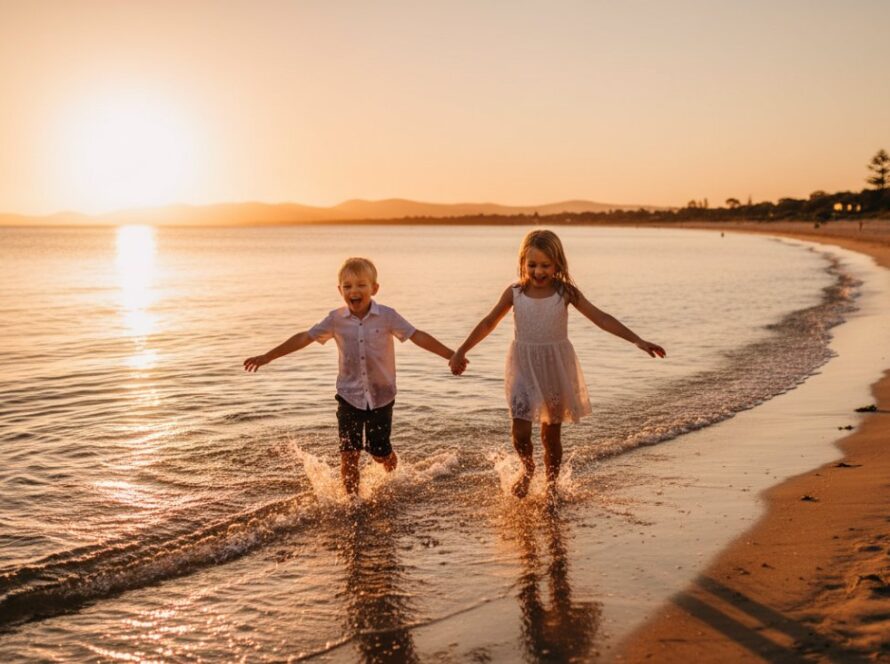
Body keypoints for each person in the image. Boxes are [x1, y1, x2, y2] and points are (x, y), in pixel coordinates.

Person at [449, 230, 665, 498]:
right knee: (520, 432)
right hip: (523, 367)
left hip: (555, 368)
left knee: (551, 436)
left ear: (557, 265)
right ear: (522, 263)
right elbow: (488, 322)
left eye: (545, 265)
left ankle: (551, 488)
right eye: (532, 265)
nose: (538, 271)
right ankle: (527, 469)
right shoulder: (514, 293)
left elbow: (601, 318)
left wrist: (637, 340)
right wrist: (461, 350)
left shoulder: (565, 293)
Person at [244, 257, 463, 495]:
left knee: (380, 453)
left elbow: (417, 335)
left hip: (381, 397)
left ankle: (393, 471)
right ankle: (352, 504)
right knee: (349, 455)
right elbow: (304, 338)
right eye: (347, 286)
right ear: (340, 290)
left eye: (361, 285)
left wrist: (452, 354)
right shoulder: (335, 319)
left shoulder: (387, 316)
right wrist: (268, 356)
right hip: (349, 396)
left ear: (374, 288)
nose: (354, 291)